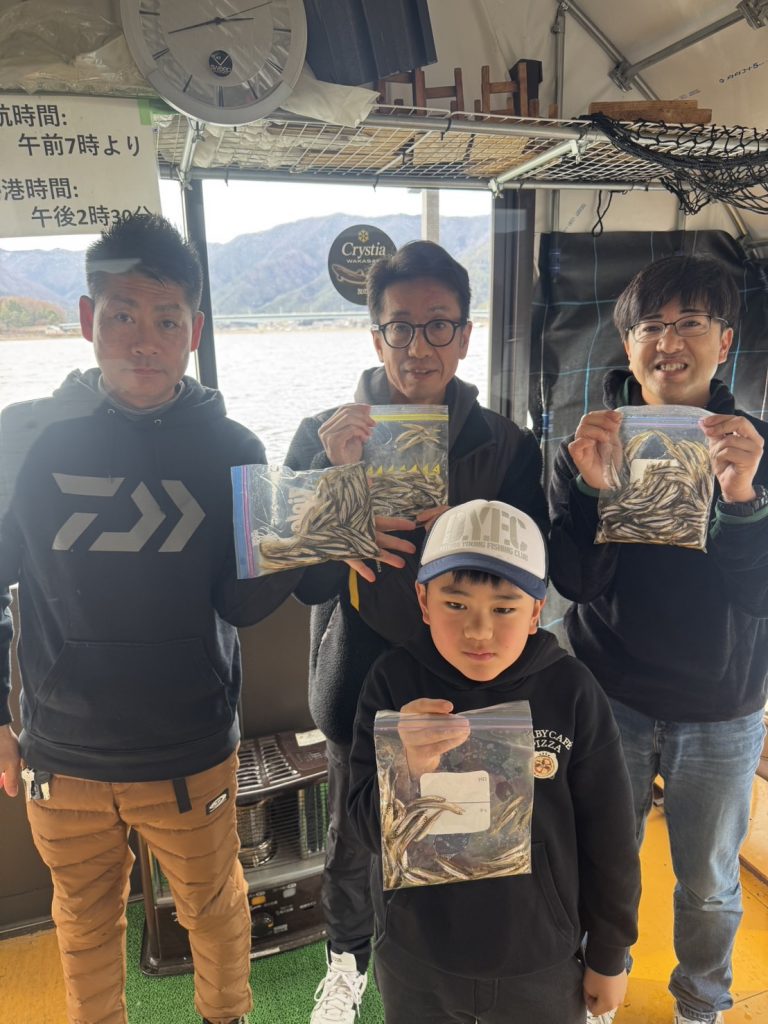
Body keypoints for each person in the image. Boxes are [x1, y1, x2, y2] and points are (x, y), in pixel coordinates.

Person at [0, 213, 307, 1024]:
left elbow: (240, 603)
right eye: (123, 316)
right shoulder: (25, 441)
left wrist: (305, 540)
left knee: (215, 909)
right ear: (87, 319)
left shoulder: (233, 446)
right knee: (82, 923)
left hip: (189, 751)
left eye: (167, 321)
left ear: (194, 331)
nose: (144, 341)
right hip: (60, 757)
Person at [285, 240, 550, 1024]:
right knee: (354, 836)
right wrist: (342, 503)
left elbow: (533, 572)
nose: (418, 345)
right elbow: (304, 584)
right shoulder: (321, 434)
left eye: (438, 325)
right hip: (360, 672)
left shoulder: (505, 444)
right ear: (376, 337)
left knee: (463, 828)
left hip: (471, 674)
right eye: (400, 327)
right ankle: (346, 964)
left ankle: (446, 967)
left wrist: (466, 532)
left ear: (464, 335)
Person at [548, 253, 768, 1024]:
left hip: (724, 706)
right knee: (599, 860)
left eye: (690, 324)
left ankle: (701, 1007)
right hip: (610, 695)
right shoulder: (589, 444)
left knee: (707, 883)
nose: (669, 342)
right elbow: (577, 583)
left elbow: (760, 595)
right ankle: (593, 993)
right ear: (628, 344)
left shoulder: (757, 448)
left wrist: (741, 497)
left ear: (725, 340)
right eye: (650, 327)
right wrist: (589, 490)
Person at [346, 499, 641, 1024]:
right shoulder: (392, 683)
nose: (479, 631)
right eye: (455, 604)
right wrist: (404, 768)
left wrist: (609, 954)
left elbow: (611, 835)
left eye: (504, 608)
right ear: (423, 600)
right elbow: (362, 827)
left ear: (535, 610)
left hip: (541, 958)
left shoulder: (571, 690)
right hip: (417, 957)